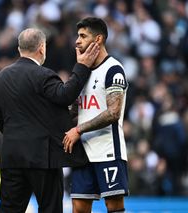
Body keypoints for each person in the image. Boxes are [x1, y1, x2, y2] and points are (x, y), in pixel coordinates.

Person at [0, 28, 99, 213]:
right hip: (42, 157)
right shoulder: (43, 75)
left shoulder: (1, 77)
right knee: (50, 208)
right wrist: (81, 67)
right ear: (42, 48)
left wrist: (16, 135)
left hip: (11, 156)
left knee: (9, 210)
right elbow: (65, 96)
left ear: (19, 49)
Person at [63, 17, 129, 213]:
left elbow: (113, 113)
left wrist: (78, 129)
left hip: (108, 150)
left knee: (114, 207)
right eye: (77, 36)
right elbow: (75, 111)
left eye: (83, 36)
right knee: (79, 208)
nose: (77, 41)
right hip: (83, 153)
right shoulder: (81, 73)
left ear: (98, 39)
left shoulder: (113, 69)